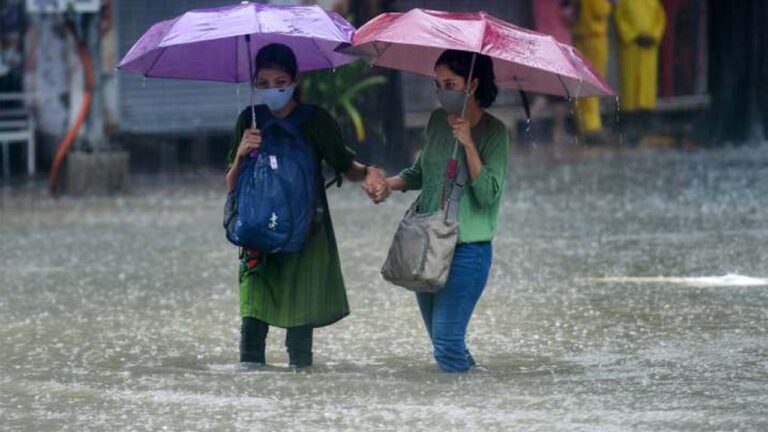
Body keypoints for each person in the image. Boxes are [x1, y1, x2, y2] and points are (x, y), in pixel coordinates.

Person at [225, 43, 386, 369]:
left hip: (306, 236)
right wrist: (241, 153)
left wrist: (367, 172)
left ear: (296, 79)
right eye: (264, 83)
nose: (273, 90)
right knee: (252, 328)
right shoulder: (248, 119)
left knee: (300, 343)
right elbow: (231, 186)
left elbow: (345, 167)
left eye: (280, 82)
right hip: (258, 236)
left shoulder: (317, 121)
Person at [368, 50, 510, 373]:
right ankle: (474, 400)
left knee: (447, 342)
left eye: (450, 83)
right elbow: (420, 172)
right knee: (445, 344)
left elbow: (488, 194)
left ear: (472, 84)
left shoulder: (495, 133)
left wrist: (469, 144)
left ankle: (460, 416)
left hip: (467, 251)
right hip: (428, 246)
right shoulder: (435, 121)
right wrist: (387, 185)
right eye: (437, 83)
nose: (441, 91)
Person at [615, 0, 666, 143]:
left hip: (648, 49)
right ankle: (628, 122)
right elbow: (619, 18)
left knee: (647, 84)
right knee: (630, 83)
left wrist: (654, 36)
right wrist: (633, 36)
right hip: (631, 48)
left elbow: (660, 19)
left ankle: (646, 120)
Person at [572, 0, 613, 141]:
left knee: (581, 82)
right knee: (594, 82)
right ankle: (592, 126)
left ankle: (582, 124)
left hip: (579, 38)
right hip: (594, 39)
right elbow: (601, 11)